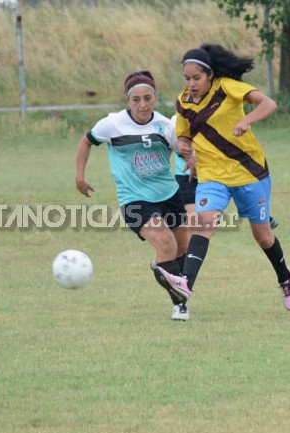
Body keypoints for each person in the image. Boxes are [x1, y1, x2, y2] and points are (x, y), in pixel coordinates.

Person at [175, 44, 290, 311]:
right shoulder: (183, 102)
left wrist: (247, 121)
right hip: (212, 175)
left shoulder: (227, 87)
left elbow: (269, 103)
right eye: (187, 78)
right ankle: (185, 284)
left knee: (263, 237)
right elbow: (184, 135)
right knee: (203, 223)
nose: (191, 84)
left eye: (197, 78)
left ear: (210, 75)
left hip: (249, 172)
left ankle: (285, 279)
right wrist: (185, 148)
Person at [75, 71, 194, 321]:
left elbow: (183, 152)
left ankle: (170, 282)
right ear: (128, 101)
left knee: (182, 246)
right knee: (166, 244)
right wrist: (80, 177)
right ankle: (179, 303)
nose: (142, 104)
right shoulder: (112, 124)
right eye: (136, 99)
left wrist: (193, 159)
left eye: (147, 98)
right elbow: (86, 141)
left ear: (155, 98)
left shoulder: (165, 125)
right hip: (134, 200)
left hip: (169, 195)